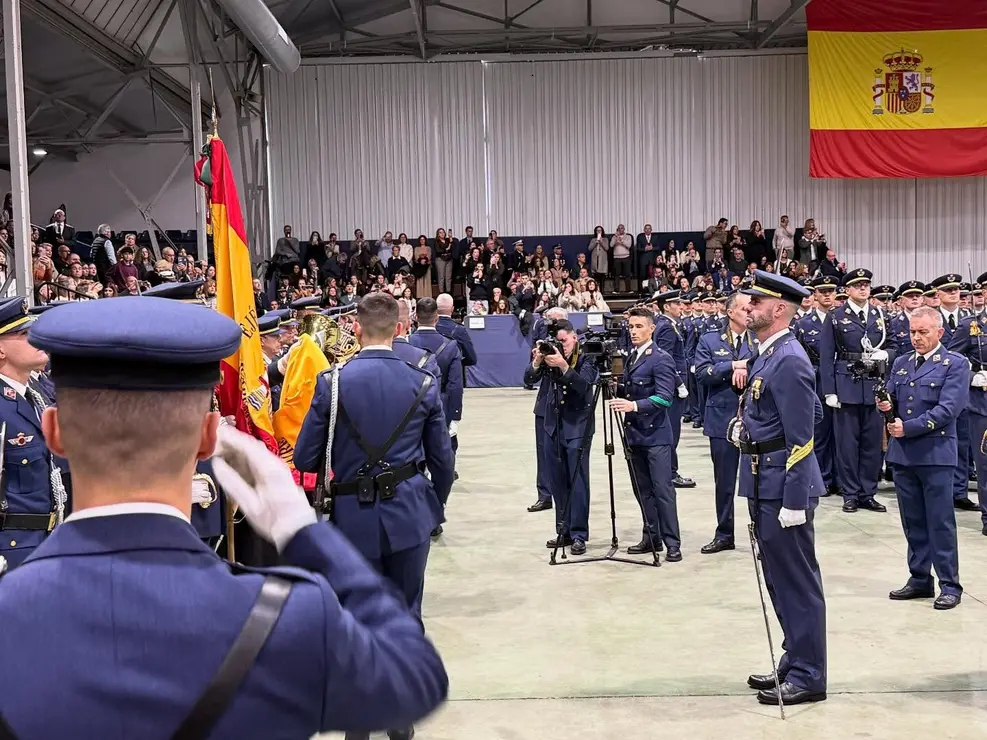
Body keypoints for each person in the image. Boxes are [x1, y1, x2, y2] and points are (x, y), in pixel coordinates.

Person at [0, 296, 448, 737]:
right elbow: (415, 678)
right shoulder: (284, 617)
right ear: (209, 437)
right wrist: (304, 535)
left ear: (53, 431)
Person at [293, 293, 453, 740]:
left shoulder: (333, 382)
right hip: (409, 513)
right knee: (406, 612)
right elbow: (442, 461)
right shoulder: (422, 381)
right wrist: (432, 505)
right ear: (399, 329)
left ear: (356, 329)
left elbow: (305, 457)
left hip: (351, 518)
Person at [736, 270, 827, 707]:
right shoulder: (769, 353)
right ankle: (795, 658)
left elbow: (803, 437)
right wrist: (747, 430)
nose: (748, 307)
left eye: (756, 302)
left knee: (796, 583)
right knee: (778, 580)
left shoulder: (788, 357)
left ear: (778, 309)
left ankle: (810, 674)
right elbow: (801, 412)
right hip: (763, 480)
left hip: (783, 488)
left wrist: (794, 500)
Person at [880, 307, 967, 610]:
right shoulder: (902, 362)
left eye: (923, 332)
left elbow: (948, 409)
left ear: (939, 332)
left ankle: (950, 584)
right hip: (904, 455)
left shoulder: (955, 364)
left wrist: (909, 427)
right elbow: (892, 396)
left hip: (935, 454)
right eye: (913, 332)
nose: (916, 337)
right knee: (913, 521)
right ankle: (919, 578)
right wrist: (885, 404)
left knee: (940, 522)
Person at [523, 319, 599, 556]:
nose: (561, 346)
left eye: (564, 341)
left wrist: (564, 367)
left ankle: (579, 534)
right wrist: (537, 361)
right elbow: (528, 379)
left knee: (577, 481)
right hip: (552, 425)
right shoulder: (549, 356)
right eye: (558, 342)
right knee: (557, 480)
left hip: (577, 426)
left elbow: (584, 385)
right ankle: (563, 530)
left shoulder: (587, 356)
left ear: (574, 338)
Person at [0, 297, 65, 570]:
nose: (36, 339)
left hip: (45, 542)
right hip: (11, 552)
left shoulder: (33, 397)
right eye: (24, 334)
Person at [610, 308, 680, 561]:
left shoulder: (660, 358)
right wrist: (616, 388)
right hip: (635, 434)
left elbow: (665, 398)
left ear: (652, 329)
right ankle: (651, 536)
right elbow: (633, 389)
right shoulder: (633, 357)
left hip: (656, 435)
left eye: (639, 326)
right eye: (630, 327)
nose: (633, 331)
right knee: (643, 490)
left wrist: (634, 406)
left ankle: (673, 543)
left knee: (662, 490)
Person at [818, 269, 889, 514]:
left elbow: (893, 346)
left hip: (873, 385)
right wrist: (829, 391)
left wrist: (886, 354)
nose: (863, 288)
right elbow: (827, 356)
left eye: (866, 284)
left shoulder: (879, 314)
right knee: (847, 446)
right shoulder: (836, 316)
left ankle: (868, 494)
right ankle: (850, 494)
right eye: (857, 285)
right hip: (846, 385)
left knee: (872, 445)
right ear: (847, 290)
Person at [695, 292, 755, 554]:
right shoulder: (709, 339)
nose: (749, 313)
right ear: (730, 312)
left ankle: (761, 533)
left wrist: (746, 368)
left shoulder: (758, 338)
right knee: (724, 481)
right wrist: (732, 365)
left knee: (756, 480)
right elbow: (701, 373)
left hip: (754, 418)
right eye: (744, 309)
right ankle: (724, 533)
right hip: (721, 418)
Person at [409, 298, 464, 537]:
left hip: (410, 410)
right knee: (440, 464)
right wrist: (454, 417)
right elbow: (455, 386)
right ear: (436, 319)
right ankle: (433, 516)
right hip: (439, 409)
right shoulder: (450, 346)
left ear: (415, 318)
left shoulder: (407, 343)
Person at [930, 273, 978, 511]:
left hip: (967, 388)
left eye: (956, 289)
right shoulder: (931, 318)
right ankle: (942, 489)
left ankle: (959, 491)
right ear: (938, 294)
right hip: (937, 386)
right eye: (948, 290)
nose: (953, 293)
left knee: (964, 441)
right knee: (942, 440)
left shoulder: (972, 319)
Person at [947, 272, 987, 532]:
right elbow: (952, 360)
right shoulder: (971, 325)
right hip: (983, 401)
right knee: (985, 462)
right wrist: (973, 376)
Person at [795, 275, 841, 498]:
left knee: (842, 435)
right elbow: (799, 356)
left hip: (841, 381)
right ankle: (823, 478)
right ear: (815, 295)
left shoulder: (842, 319)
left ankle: (841, 479)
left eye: (830, 291)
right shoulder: (804, 324)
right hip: (817, 381)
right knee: (820, 434)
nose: (827, 295)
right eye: (822, 291)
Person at [525, 307, 567, 511]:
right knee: (543, 453)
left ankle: (566, 493)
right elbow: (529, 378)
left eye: (556, 322)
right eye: (549, 321)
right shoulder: (543, 346)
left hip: (567, 408)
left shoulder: (573, 346)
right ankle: (544, 495)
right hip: (544, 407)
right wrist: (537, 361)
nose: (552, 326)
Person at [652, 291, 695, 489]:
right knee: (672, 431)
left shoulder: (668, 325)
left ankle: (668, 472)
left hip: (672, 383)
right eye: (676, 303)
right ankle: (669, 473)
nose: (681, 306)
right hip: (671, 386)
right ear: (667, 307)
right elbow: (666, 359)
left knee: (672, 429)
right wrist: (678, 383)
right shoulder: (667, 327)